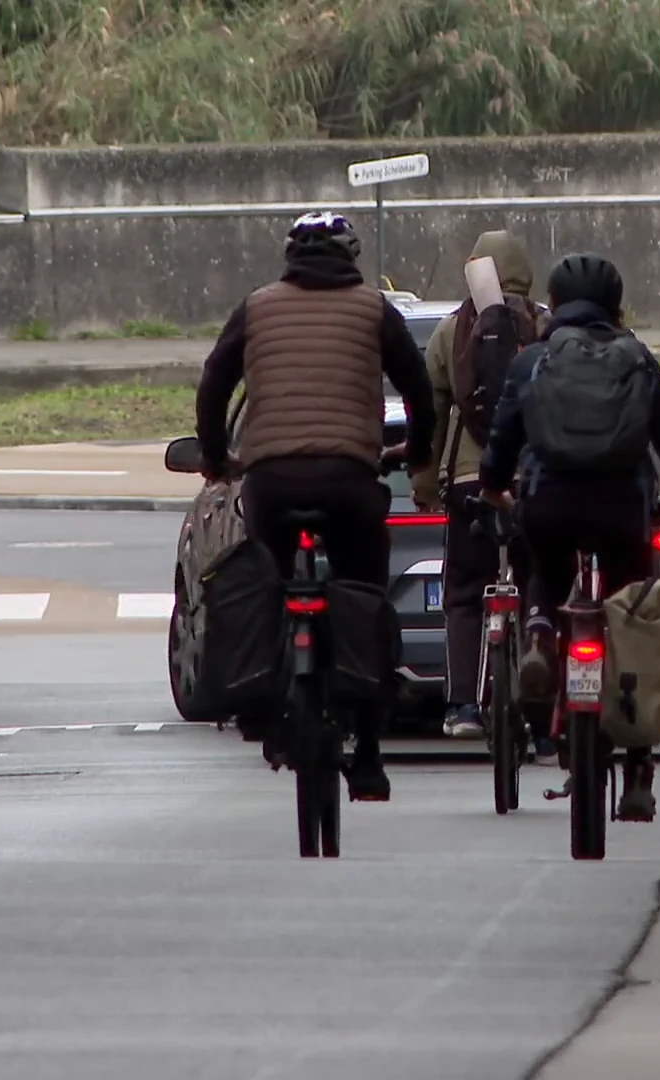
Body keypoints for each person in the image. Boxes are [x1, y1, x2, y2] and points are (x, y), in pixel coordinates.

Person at [194, 210, 439, 803]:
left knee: (267, 577)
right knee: (365, 589)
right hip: (348, 480)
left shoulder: (257, 307)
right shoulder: (373, 310)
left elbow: (213, 384)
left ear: (289, 258)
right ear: (352, 258)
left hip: (271, 483)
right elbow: (420, 390)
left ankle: (269, 699)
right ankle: (372, 753)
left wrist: (217, 457)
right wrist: (417, 450)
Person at [476, 252, 660, 818]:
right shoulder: (637, 359)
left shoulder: (531, 361)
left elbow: (503, 436)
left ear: (554, 305)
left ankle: (538, 636)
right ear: (616, 307)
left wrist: (495, 488)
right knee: (632, 613)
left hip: (548, 501)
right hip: (622, 508)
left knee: (542, 567)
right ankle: (637, 772)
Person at [424, 231, 545, 744]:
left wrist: (425, 481)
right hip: (536, 481)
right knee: (544, 585)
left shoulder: (451, 333)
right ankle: (544, 721)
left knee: (464, 594)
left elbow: (428, 418)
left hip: (472, 483)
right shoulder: (546, 326)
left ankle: (462, 706)